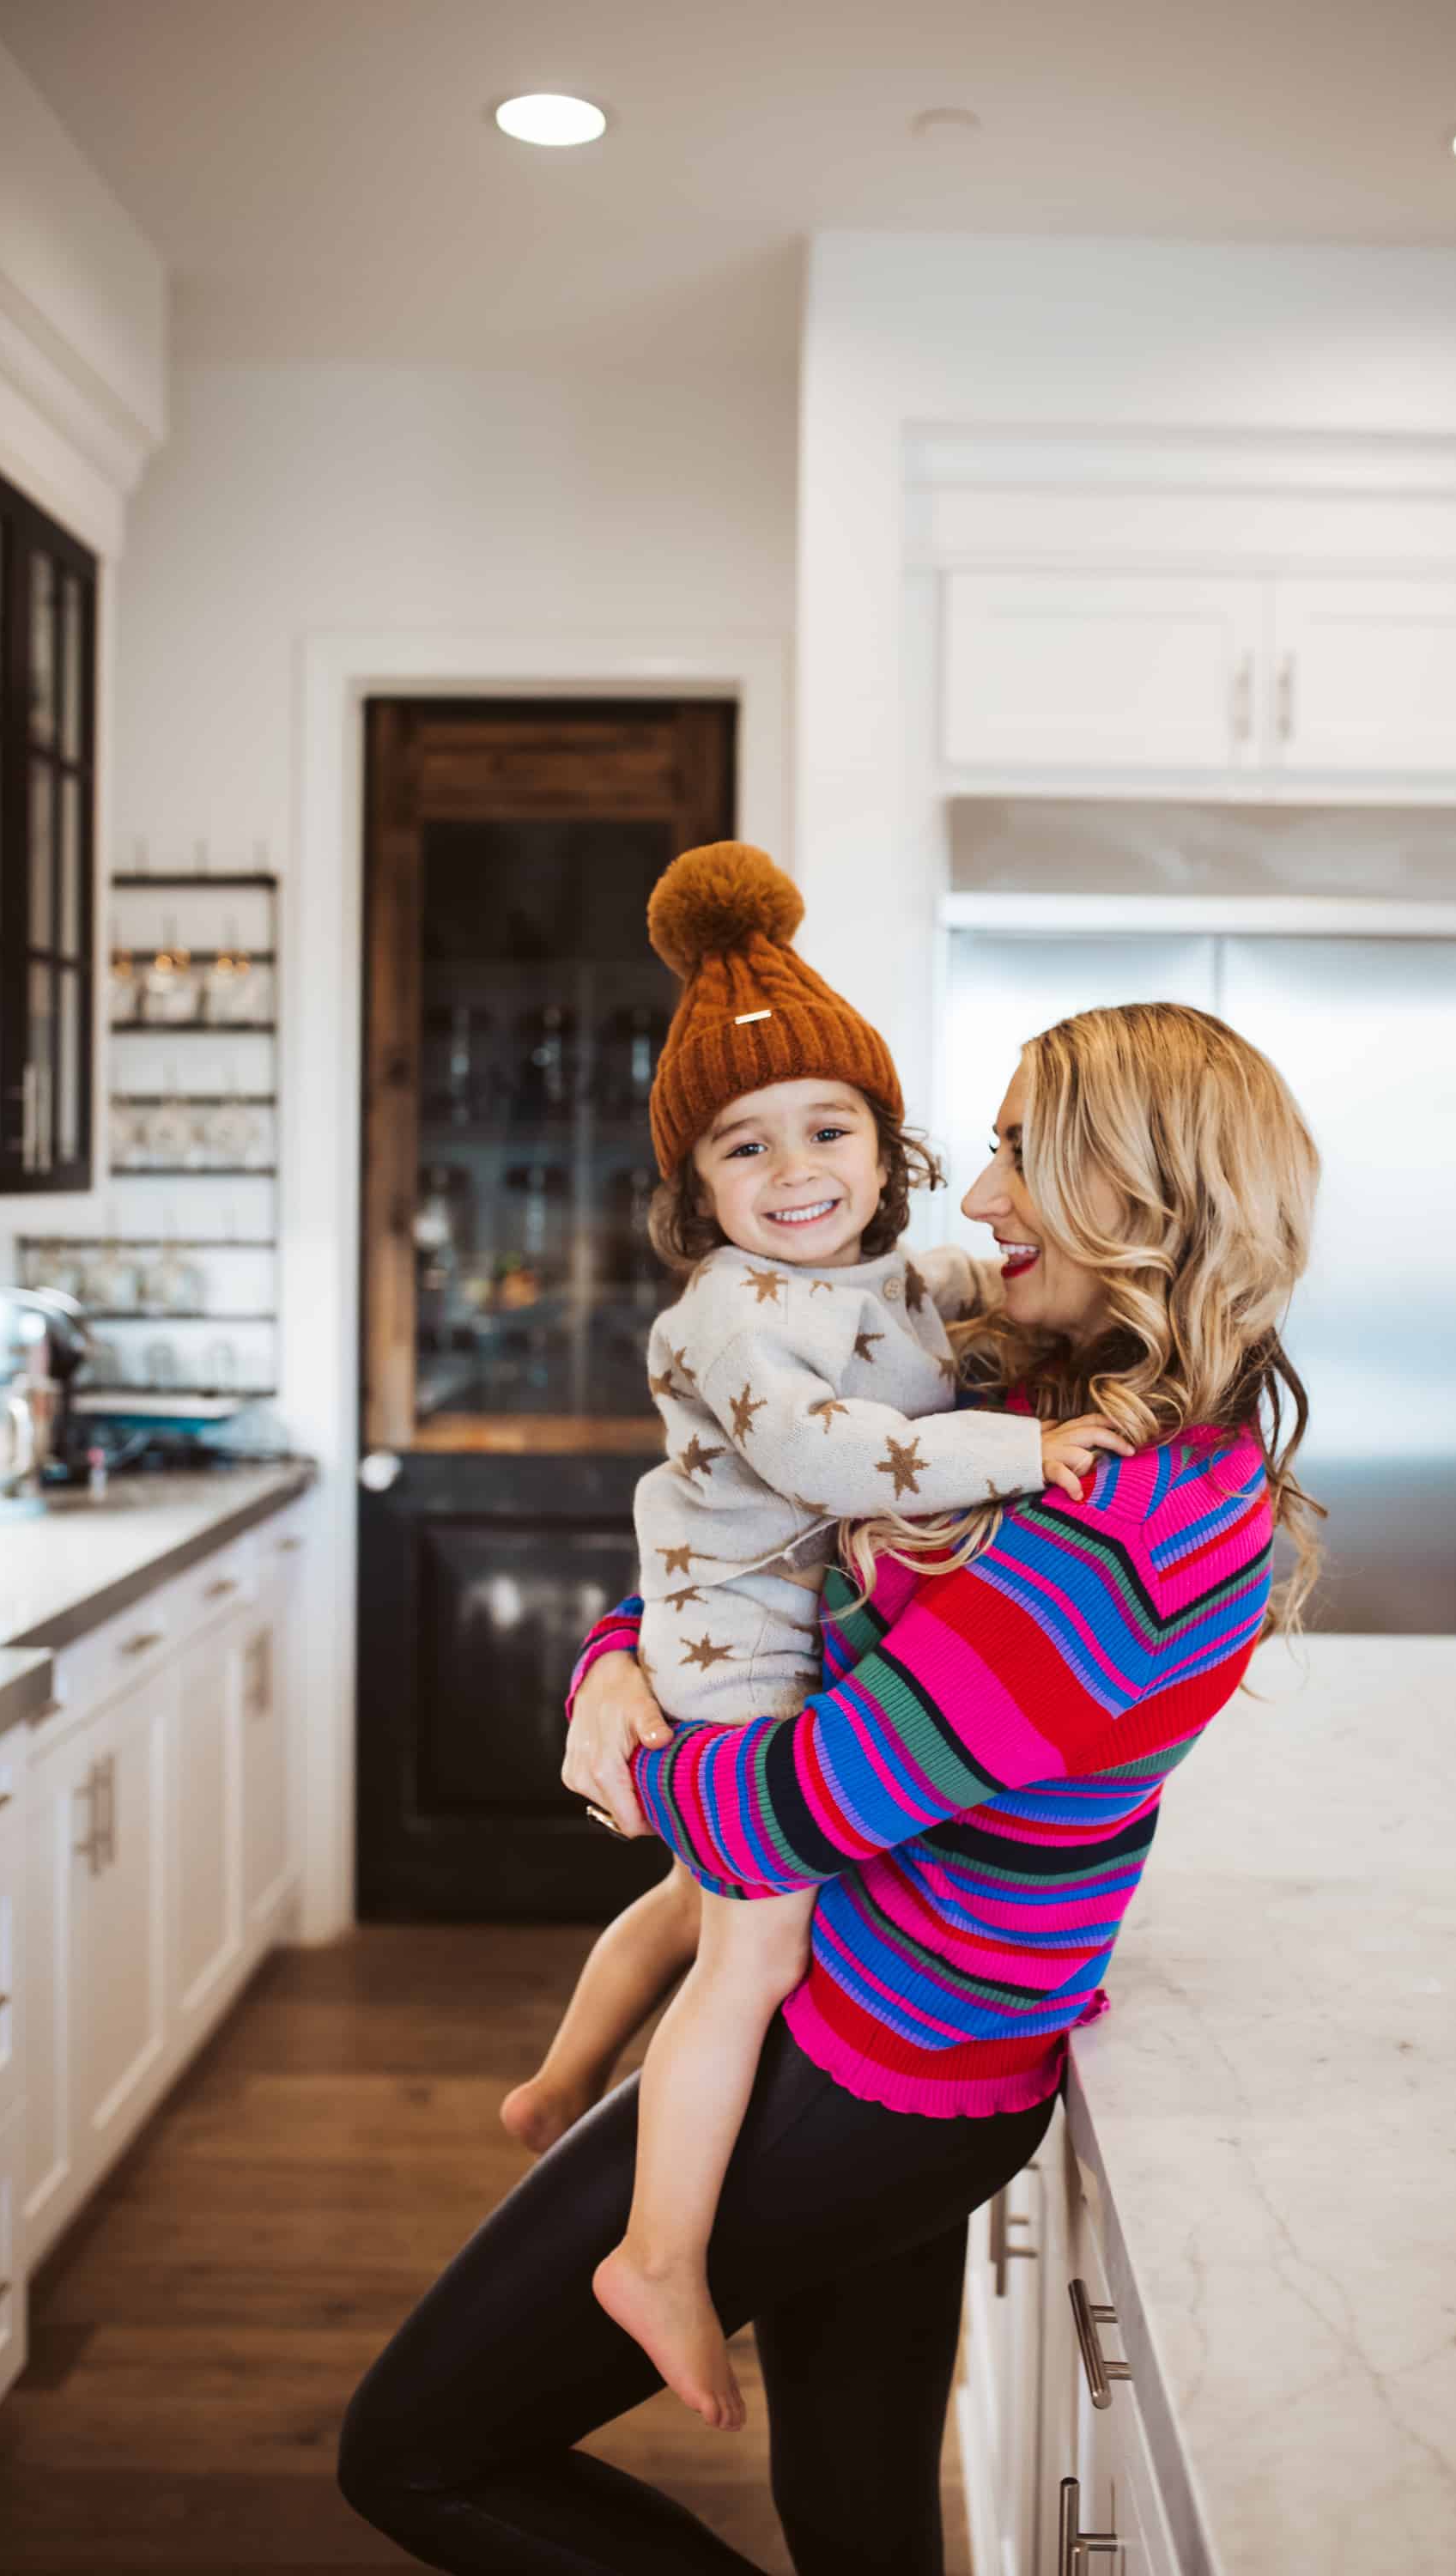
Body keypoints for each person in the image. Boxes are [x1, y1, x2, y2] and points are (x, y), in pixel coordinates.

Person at [339, 996, 1321, 2576]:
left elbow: (804, 1804)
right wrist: (615, 1656)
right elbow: (756, 1543)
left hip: (874, 2067)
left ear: (1137, 1196)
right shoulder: (1034, 1396)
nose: (981, 1196)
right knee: (854, 2515)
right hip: (886, 2030)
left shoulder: (1130, 1518)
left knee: (416, 2452)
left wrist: (642, 1754)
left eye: (1018, 1153)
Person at [500, 840, 1119, 2427]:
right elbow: (834, 1455)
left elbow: (1012, 1280)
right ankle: (654, 2254)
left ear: (884, 1144)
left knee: (698, 1903)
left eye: (829, 1128)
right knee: (751, 1943)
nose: (795, 1170)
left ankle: (564, 2082)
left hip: (759, 1625)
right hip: (739, 1642)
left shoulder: (897, 1273)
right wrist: (1024, 1452)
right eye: (741, 1146)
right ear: (693, 1191)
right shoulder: (735, 1311)